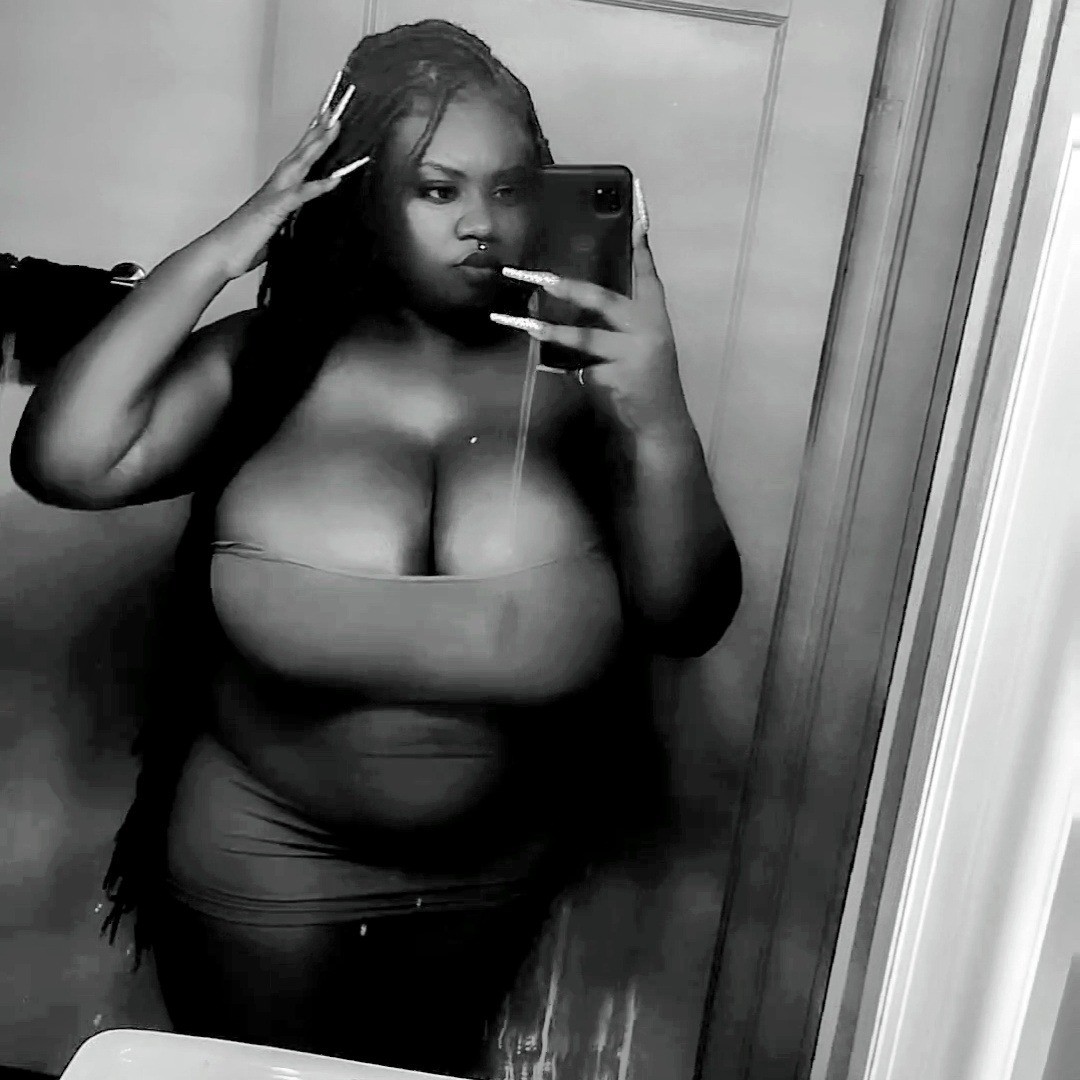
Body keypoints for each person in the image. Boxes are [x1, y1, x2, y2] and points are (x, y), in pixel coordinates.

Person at [11, 19, 741, 1075]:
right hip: (264, 856)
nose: (480, 223)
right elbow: (66, 464)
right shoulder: (269, 362)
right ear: (360, 194)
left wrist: (660, 415)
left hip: (495, 867)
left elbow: (689, 615)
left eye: (508, 187)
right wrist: (225, 248)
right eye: (436, 190)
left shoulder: (587, 384)